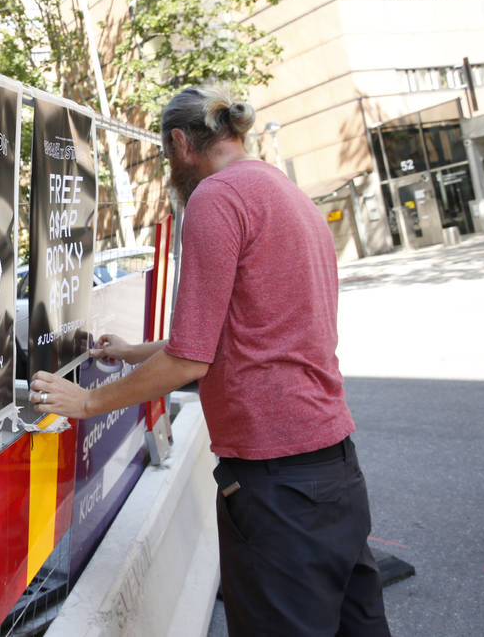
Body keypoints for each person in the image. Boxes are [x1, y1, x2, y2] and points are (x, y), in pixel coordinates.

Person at [29, 86, 390, 635]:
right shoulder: (286, 193)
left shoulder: (217, 199)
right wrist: (131, 352)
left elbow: (189, 360)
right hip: (334, 469)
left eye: (165, 155)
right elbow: (245, 334)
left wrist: (88, 400)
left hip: (276, 483)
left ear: (180, 143)